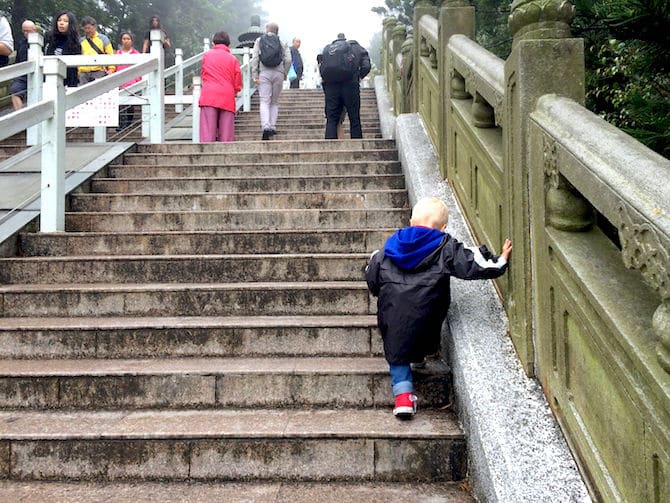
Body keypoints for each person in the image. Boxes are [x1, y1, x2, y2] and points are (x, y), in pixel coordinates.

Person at [365, 197, 512, 418]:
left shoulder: (388, 248)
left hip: (392, 312)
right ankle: (420, 354)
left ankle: (403, 398)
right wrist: (499, 261)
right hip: (429, 311)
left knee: (397, 350)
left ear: (411, 220)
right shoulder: (445, 246)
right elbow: (471, 263)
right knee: (423, 330)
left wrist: (379, 291)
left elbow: (372, 275)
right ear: (443, 228)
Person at [319, 32, 371, 139]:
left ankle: (329, 149)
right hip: (350, 84)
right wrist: (358, 77)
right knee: (354, 118)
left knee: (332, 119)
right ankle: (357, 147)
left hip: (331, 85)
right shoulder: (356, 47)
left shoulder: (330, 50)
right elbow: (366, 66)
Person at [250, 21, 291, 140]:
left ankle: (265, 126)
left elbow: (255, 58)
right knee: (274, 101)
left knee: (264, 101)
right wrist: (284, 73)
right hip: (278, 73)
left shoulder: (259, 40)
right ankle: (272, 126)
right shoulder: (282, 42)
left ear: (267, 29)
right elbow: (288, 60)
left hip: (264, 72)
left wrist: (255, 74)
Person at [198, 31, 242, 142]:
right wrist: (235, 91)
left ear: (213, 43)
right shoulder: (233, 59)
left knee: (207, 133)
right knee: (226, 136)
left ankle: (206, 156)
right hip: (227, 96)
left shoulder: (207, 56)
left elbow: (203, 74)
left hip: (209, 95)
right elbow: (237, 80)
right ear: (228, 44)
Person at [44, 11, 82, 88]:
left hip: (68, 80)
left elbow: (74, 68)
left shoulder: (75, 42)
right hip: (49, 77)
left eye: (65, 21)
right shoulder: (49, 37)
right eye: (59, 20)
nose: (61, 23)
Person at [115, 31, 141, 131]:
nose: (126, 41)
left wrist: (138, 79)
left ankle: (128, 122)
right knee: (121, 103)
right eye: (124, 39)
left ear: (132, 41)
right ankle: (122, 124)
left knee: (130, 103)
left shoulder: (136, 54)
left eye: (128, 39)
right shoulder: (118, 53)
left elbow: (139, 68)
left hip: (131, 80)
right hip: (120, 80)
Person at [10, 20, 37, 110]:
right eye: (24, 31)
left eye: (28, 31)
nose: (26, 33)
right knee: (15, 90)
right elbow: (17, 60)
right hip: (23, 74)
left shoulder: (43, 41)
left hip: (39, 72)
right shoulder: (21, 43)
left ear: (34, 30)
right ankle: (21, 116)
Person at [78, 16, 115, 84]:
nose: (87, 30)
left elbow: (110, 55)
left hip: (98, 71)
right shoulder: (81, 41)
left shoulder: (103, 39)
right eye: (85, 28)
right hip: (83, 73)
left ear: (95, 27)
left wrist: (111, 69)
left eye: (89, 28)